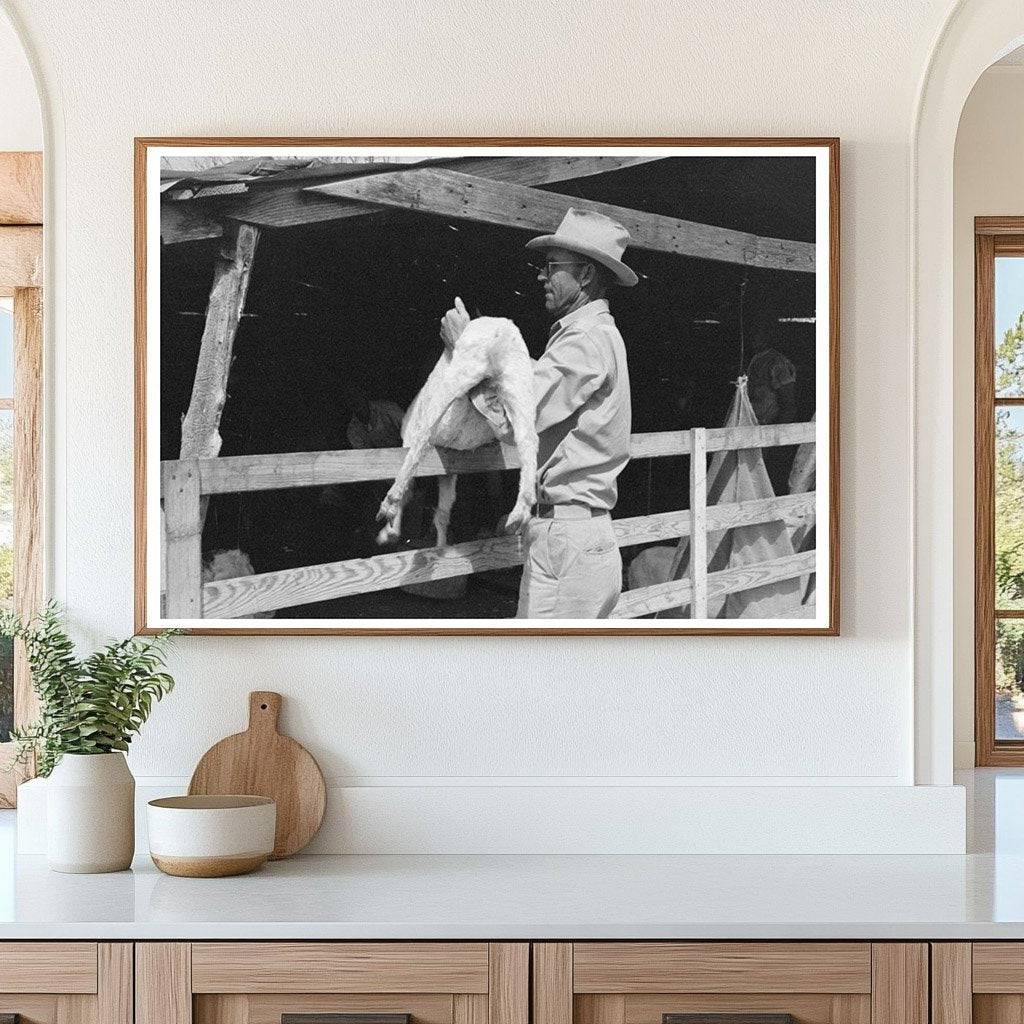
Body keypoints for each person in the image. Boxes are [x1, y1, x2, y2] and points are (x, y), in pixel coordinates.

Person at [441, 208, 636, 618]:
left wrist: (467, 350)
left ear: (585, 275)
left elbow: (517, 415)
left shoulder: (584, 340)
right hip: (579, 536)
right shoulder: (595, 335)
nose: (541, 277)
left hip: (566, 540)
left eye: (552, 267)